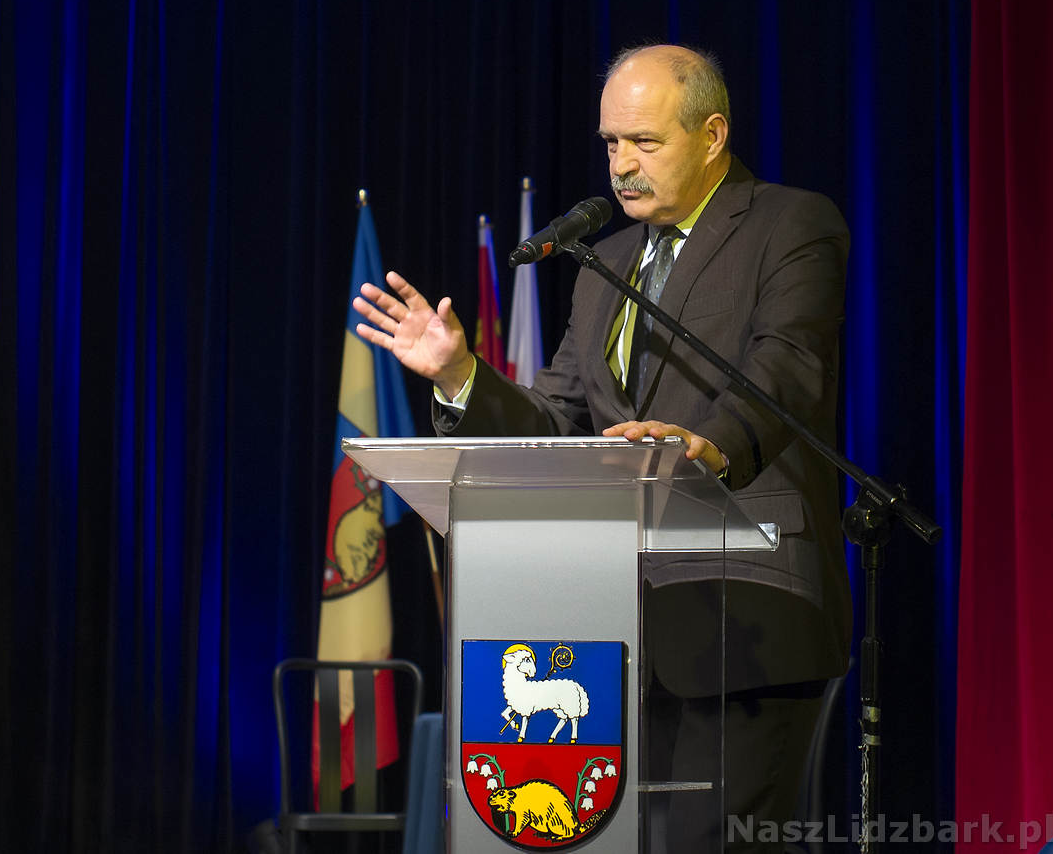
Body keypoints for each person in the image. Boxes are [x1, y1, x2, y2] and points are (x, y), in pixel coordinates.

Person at [354, 44, 851, 852]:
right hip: (613, 633)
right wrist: (459, 376)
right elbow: (554, 421)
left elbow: (786, 365)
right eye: (610, 143)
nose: (620, 164)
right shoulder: (604, 264)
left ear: (712, 135)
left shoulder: (788, 224)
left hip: (749, 608)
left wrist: (710, 445)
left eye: (644, 142)